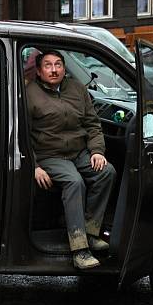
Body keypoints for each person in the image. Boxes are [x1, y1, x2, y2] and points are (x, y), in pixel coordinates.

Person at [26, 49, 116, 269]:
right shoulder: (30, 93)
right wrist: (34, 166)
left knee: (107, 172)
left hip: (79, 152)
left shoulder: (76, 89)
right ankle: (79, 248)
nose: (54, 69)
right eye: (48, 65)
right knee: (74, 182)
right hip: (49, 155)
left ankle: (91, 231)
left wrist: (97, 151)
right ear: (38, 71)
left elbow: (92, 124)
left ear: (64, 68)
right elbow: (22, 134)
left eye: (58, 64)